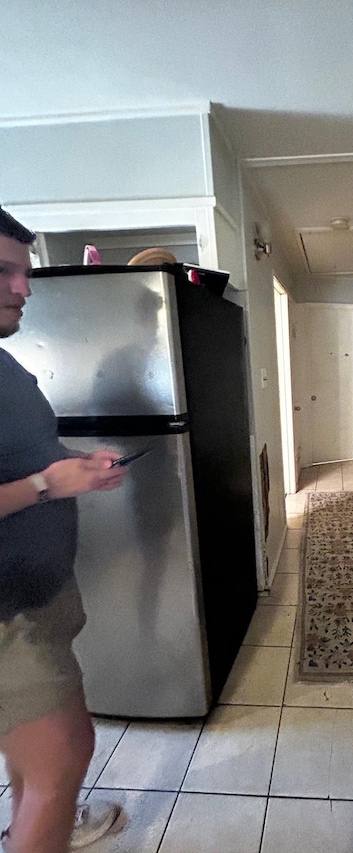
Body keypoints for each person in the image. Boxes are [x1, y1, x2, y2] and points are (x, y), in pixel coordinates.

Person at [0, 207, 127, 853]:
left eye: (24, 272)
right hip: (7, 615)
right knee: (65, 754)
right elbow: (32, 476)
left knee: (36, 759)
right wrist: (50, 484)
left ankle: (41, 825)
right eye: (3, 271)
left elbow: (23, 450)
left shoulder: (2, 363)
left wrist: (70, 463)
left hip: (34, 596)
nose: (24, 287)